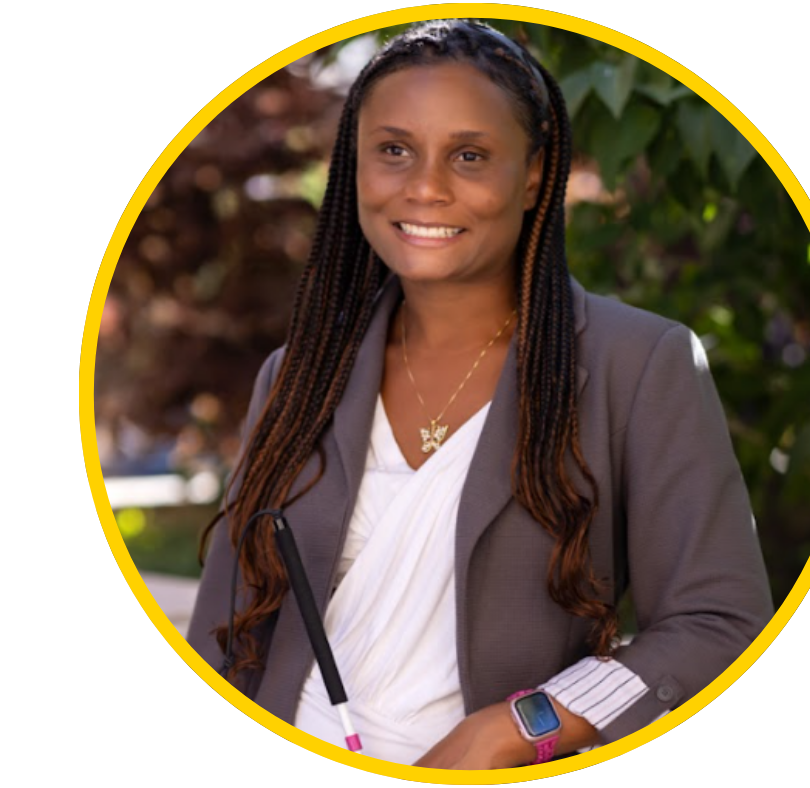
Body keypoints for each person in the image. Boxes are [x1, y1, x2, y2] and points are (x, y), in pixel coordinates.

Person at [188, 19, 774, 769]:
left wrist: (519, 726)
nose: (425, 187)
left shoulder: (639, 363)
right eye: (393, 150)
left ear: (532, 176)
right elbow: (222, 636)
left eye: (469, 155)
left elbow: (720, 624)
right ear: (354, 166)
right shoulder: (298, 375)